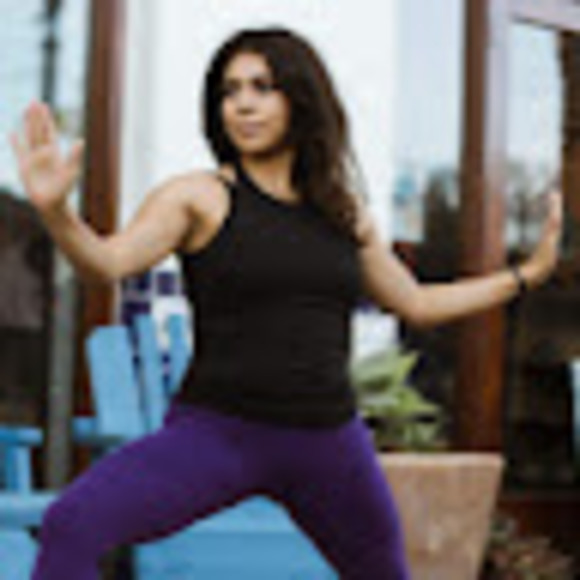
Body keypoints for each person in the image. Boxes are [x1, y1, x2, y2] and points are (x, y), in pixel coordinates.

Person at [10, 26, 562, 580]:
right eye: (230, 91)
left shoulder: (344, 213)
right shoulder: (199, 197)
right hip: (217, 434)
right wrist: (58, 213)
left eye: (262, 87)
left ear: (300, 97)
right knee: (72, 523)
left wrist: (524, 275)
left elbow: (415, 302)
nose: (242, 104)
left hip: (329, 443)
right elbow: (107, 263)